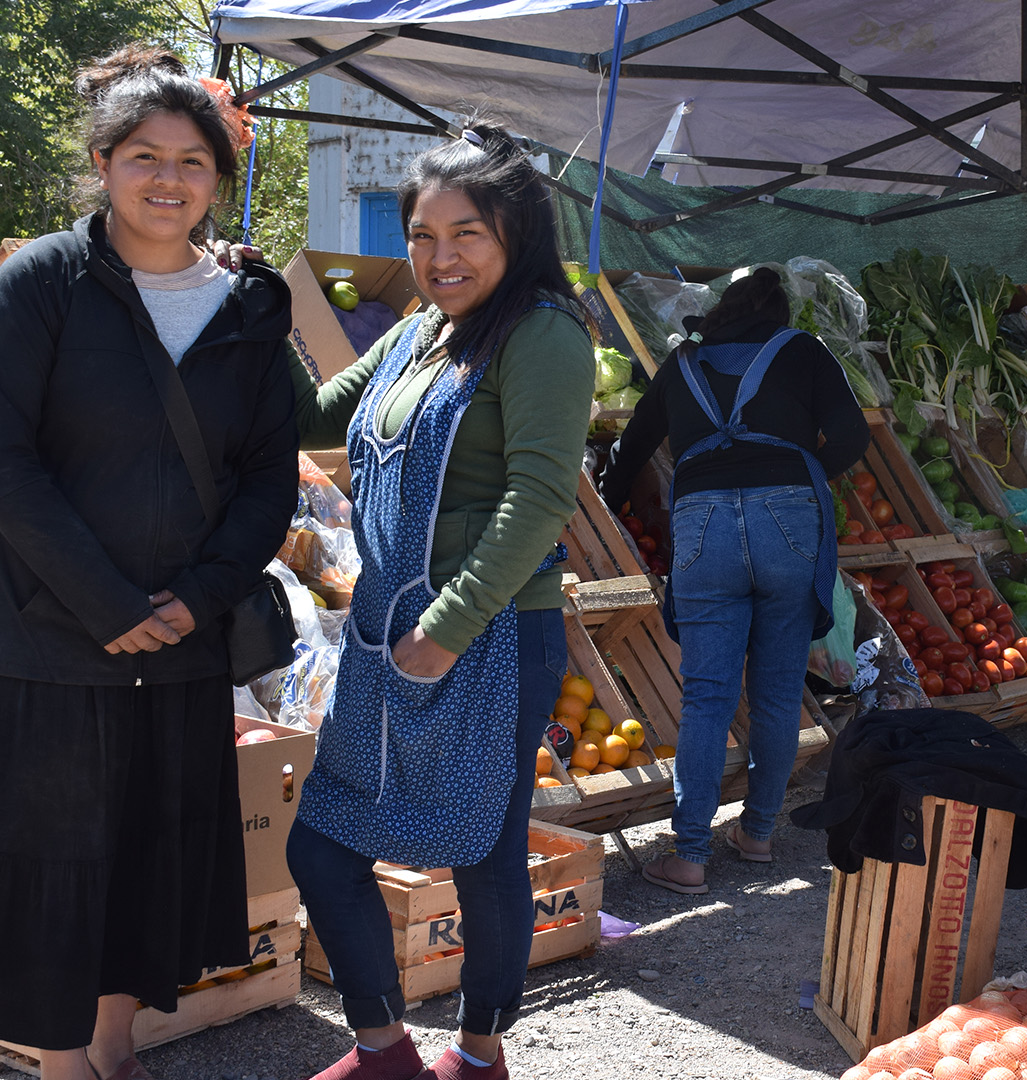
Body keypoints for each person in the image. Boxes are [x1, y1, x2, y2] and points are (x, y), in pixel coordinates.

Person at [0, 46, 298, 1080]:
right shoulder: (41, 283)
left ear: (218, 181)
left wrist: (204, 595)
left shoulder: (252, 307)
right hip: (47, 634)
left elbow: (270, 473)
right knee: (47, 857)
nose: (169, 180)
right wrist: (104, 602)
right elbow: (1, 459)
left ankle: (115, 1048)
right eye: (145, 157)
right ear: (102, 163)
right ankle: (57, 1061)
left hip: (181, 636)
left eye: (193, 162)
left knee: (147, 851)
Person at [281, 124, 594, 1080]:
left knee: (482, 850)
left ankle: (481, 1054)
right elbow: (314, 420)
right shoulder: (420, 331)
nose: (439, 256)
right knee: (323, 842)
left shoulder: (541, 332)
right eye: (422, 234)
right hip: (385, 628)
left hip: (490, 632)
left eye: (467, 234)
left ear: (515, 237)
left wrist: (449, 628)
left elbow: (540, 497)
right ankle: (383, 1048)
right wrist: (259, 313)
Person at [598, 267, 869, 896]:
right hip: (790, 526)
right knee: (777, 694)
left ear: (720, 312)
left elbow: (632, 449)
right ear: (779, 316)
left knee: (707, 697)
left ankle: (689, 856)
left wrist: (613, 506)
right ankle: (758, 836)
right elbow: (852, 436)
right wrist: (801, 475)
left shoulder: (681, 363)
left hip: (704, 527)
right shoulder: (803, 351)